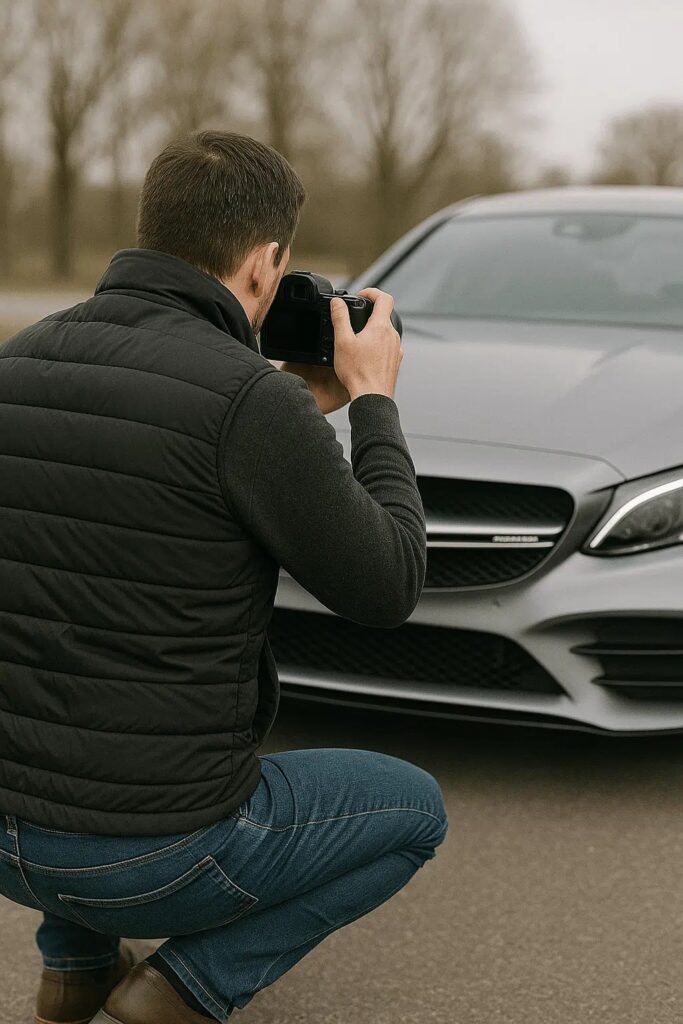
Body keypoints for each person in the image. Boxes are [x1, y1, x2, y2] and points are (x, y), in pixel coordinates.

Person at [0, 130, 448, 1024]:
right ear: (263, 261)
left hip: (7, 841)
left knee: (69, 660)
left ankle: (75, 969)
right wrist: (372, 401)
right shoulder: (249, 404)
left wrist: (285, 408)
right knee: (413, 809)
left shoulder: (19, 360)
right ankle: (180, 992)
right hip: (150, 856)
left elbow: (140, 484)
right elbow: (387, 585)